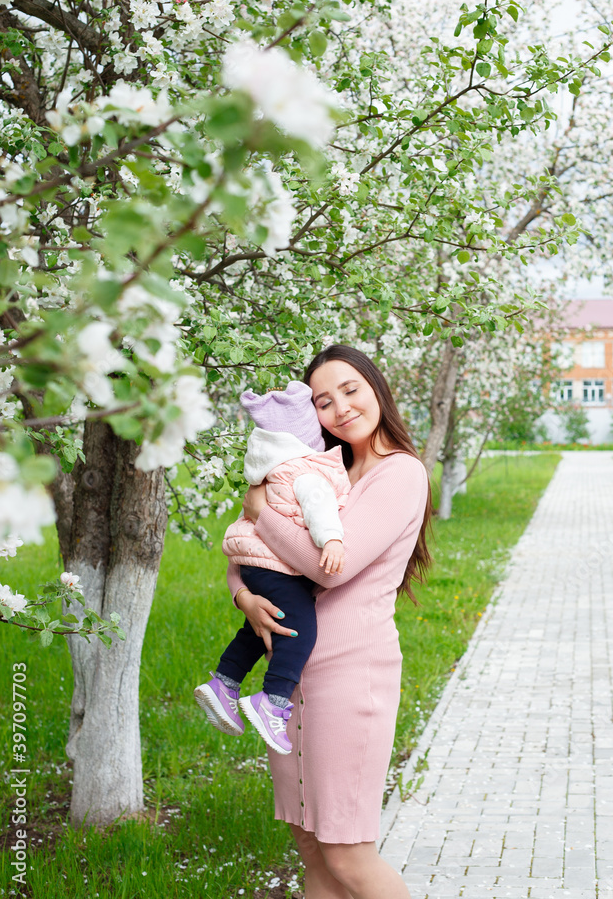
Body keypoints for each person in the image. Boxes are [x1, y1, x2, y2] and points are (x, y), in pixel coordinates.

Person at [229, 345, 432, 899]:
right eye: (323, 401)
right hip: (288, 681)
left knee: (346, 852)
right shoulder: (319, 469)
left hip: (349, 679)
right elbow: (248, 550)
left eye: (350, 390)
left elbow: (327, 568)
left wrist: (261, 512)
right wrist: (243, 596)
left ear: (376, 388)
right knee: (310, 844)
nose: (340, 408)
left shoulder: (401, 474)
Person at [194, 380, 351, 756]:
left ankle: (224, 682)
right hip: (279, 566)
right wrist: (332, 540)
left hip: (254, 566)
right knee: (299, 631)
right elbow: (319, 508)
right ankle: (273, 701)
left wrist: (243, 593)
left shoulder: (271, 472)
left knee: (263, 625)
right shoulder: (309, 472)